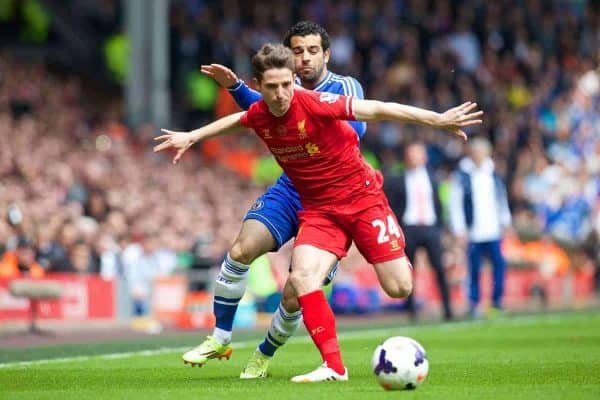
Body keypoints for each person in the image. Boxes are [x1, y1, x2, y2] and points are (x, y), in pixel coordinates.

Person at [155, 43, 483, 382]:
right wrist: (192, 136)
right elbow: (238, 120)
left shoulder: (314, 102)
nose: (282, 94)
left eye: (287, 84)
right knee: (301, 278)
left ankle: (392, 252)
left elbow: (378, 109)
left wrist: (436, 119)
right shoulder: (260, 113)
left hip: (363, 200)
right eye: (272, 87)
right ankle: (334, 366)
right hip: (320, 210)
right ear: (259, 87)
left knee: (400, 288)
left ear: (294, 80)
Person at [180, 21, 368, 380]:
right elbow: (259, 111)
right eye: (297, 51)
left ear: (326, 54)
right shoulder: (283, 88)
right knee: (240, 251)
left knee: (297, 289)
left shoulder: (344, 87)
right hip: (292, 188)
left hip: (332, 196)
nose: (305, 58)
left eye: (313, 50)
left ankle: (264, 354)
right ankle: (220, 337)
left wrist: (304, 110)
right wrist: (237, 88)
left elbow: (355, 129)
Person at [383, 142, 453, 321]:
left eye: (418, 154)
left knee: (439, 268)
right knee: (407, 270)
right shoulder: (398, 179)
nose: (414, 157)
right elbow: (392, 206)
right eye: (411, 154)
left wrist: (441, 227)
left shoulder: (433, 178)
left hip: (430, 228)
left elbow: (438, 204)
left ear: (424, 157)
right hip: (409, 229)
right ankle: (411, 311)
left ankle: (447, 309)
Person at [449, 137, 511, 318]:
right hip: (473, 231)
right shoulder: (462, 175)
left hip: (492, 229)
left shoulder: (493, 173)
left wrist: (505, 221)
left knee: (499, 265)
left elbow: (501, 199)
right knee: (473, 268)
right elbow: (456, 203)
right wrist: (459, 229)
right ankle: (474, 302)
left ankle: (497, 301)